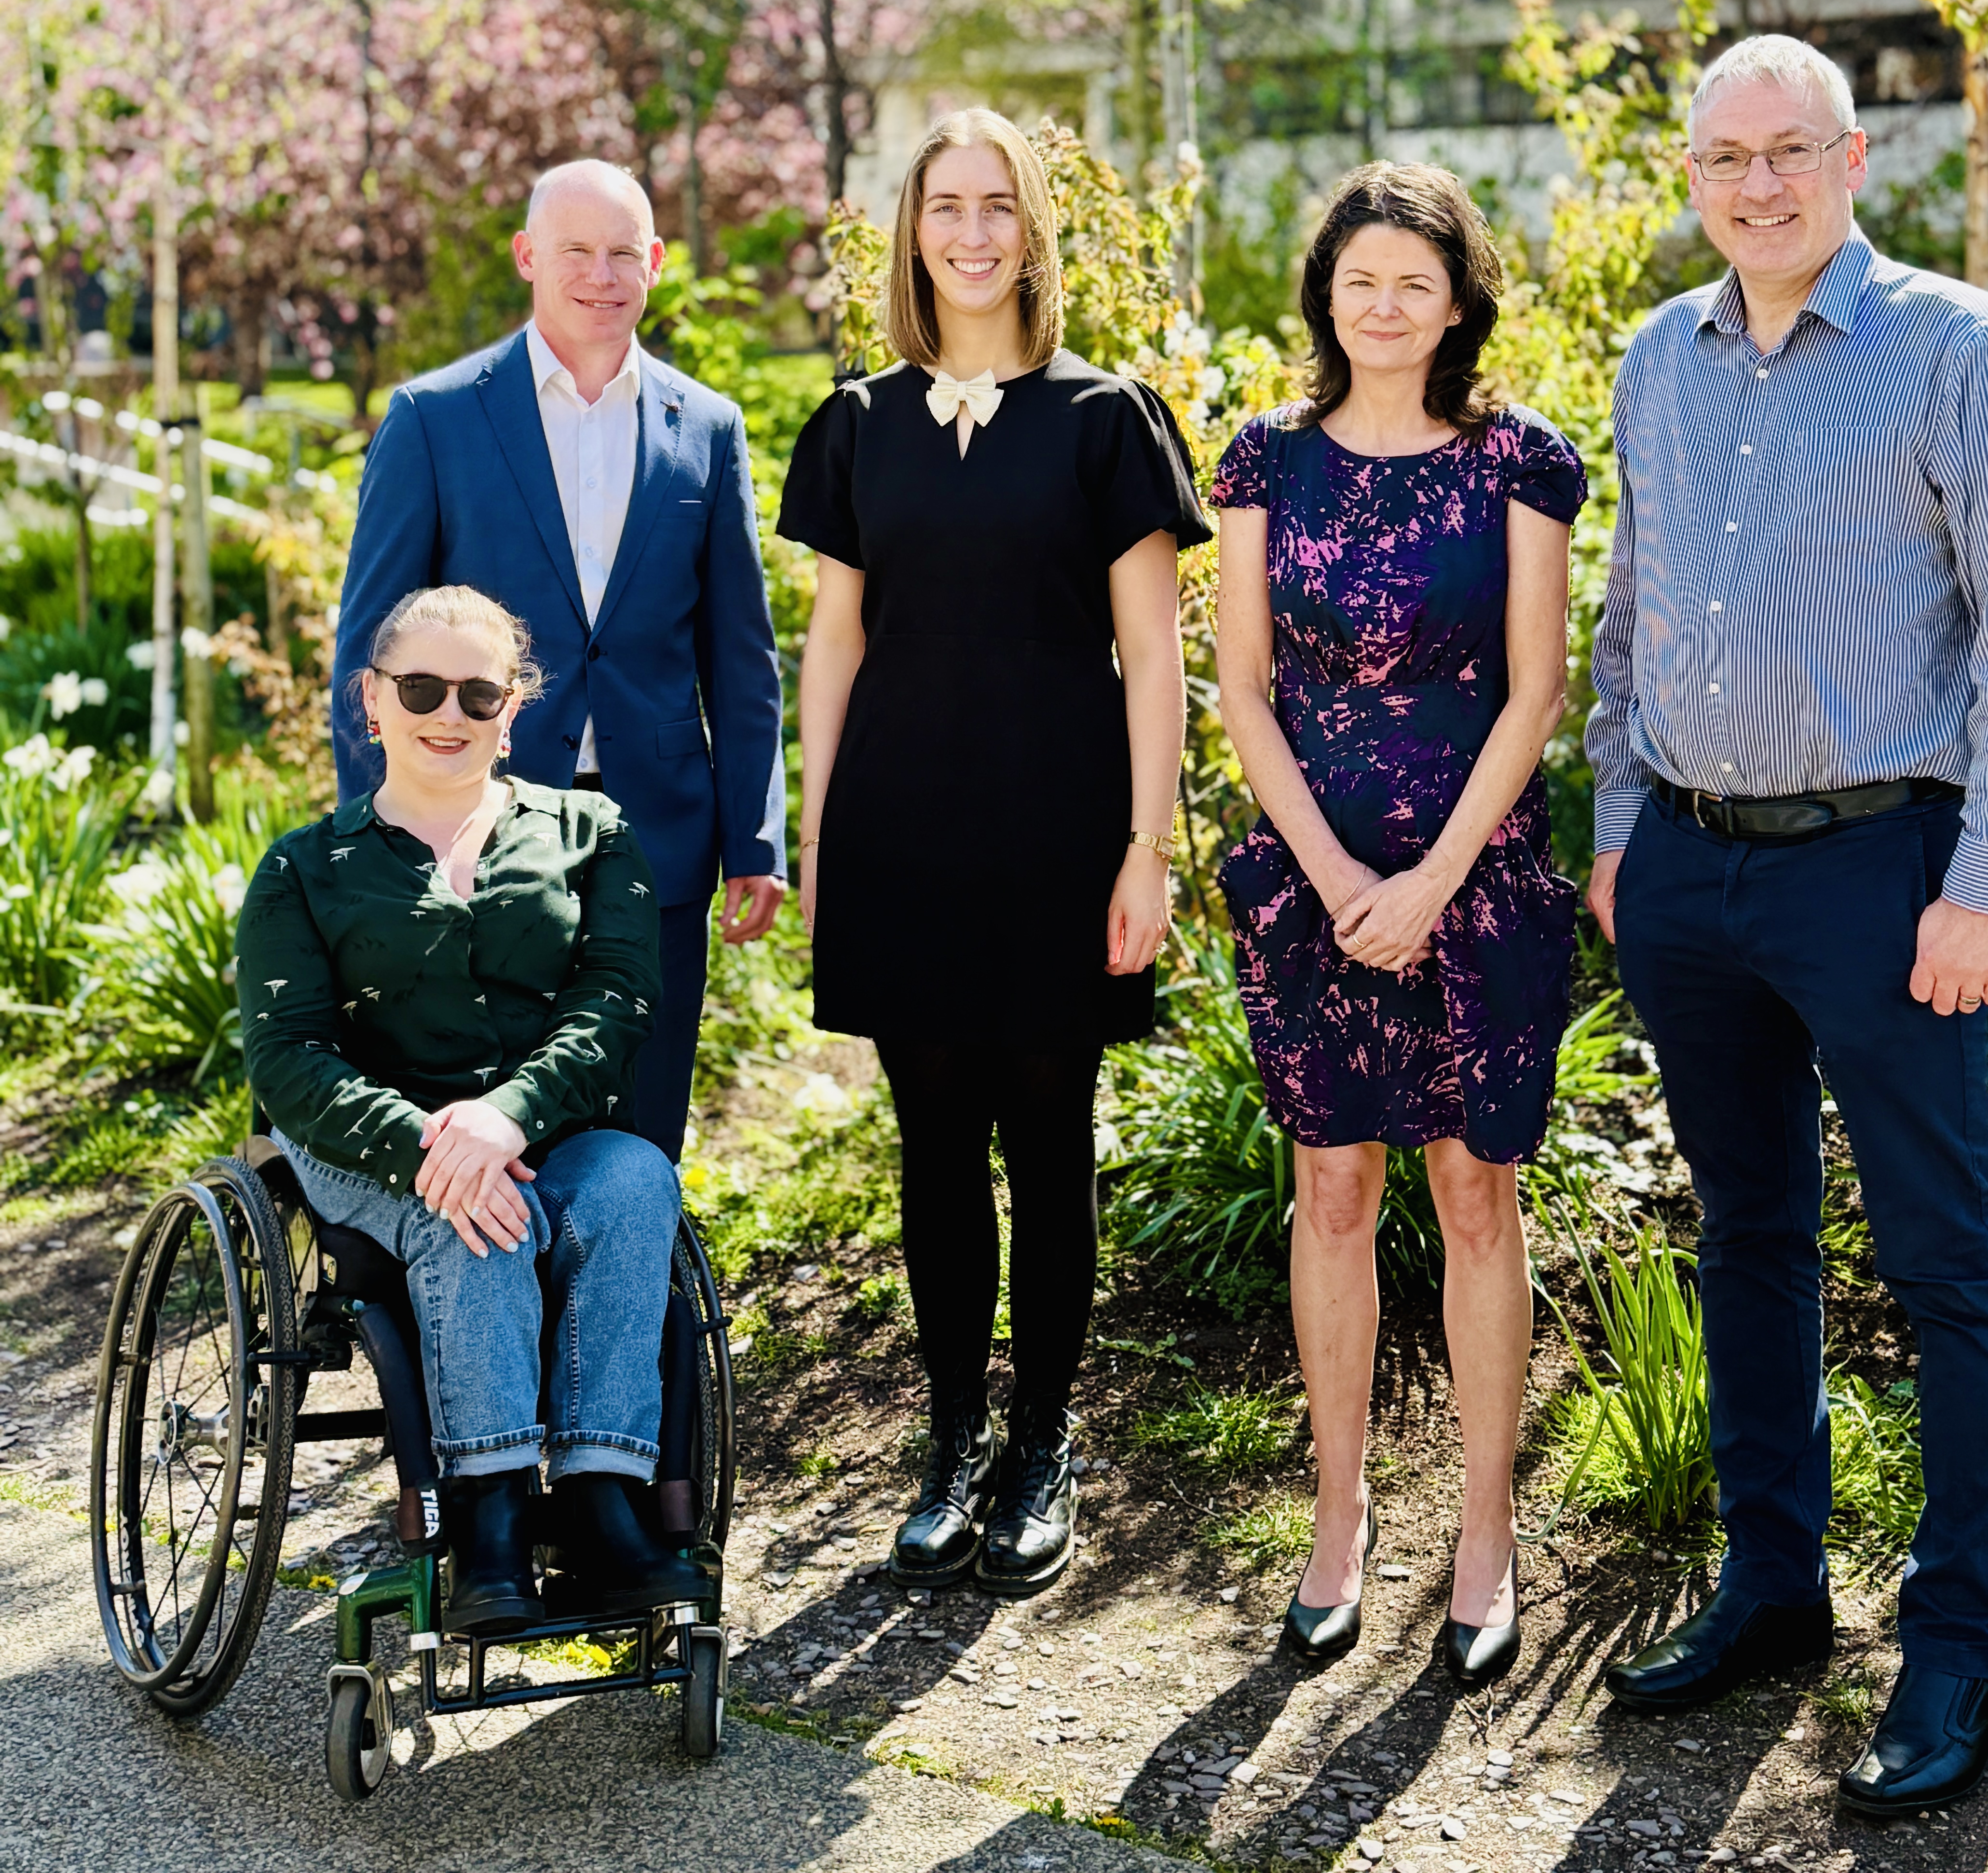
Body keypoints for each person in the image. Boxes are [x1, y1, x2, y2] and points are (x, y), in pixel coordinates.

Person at [1587, 33, 1988, 1820]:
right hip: (1696, 873)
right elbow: (1630, 613)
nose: (1758, 185)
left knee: (1948, 1261)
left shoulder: (1957, 347)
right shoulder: (1659, 353)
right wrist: (1624, 824)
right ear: (1692, 171)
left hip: (1889, 870)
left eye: (1791, 151)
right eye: (1726, 157)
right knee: (1748, 1239)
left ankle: (1959, 1649)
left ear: (1855, 159)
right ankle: (1774, 1588)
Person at [777, 108, 1209, 1598]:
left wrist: (1145, 849)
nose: (970, 233)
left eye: (997, 207)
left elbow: (1152, 660)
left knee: (1047, 1140)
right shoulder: (853, 423)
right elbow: (833, 642)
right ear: (912, 233)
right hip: (900, 827)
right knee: (933, 1150)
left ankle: (1044, 1445)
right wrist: (817, 831)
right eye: (944, 207)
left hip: (1056, 828)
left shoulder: (1108, 419)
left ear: (1034, 232)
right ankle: (950, 1442)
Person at [1213, 162, 1585, 1681]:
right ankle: (1337, 1513)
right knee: (1330, 1194)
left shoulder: (1520, 462)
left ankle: (1484, 1529)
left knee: (1474, 1197)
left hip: (1473, 881)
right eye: (1359, 280)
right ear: (1326, 295)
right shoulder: (1261, 461)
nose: (1384, 306)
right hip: (1314, 880)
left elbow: (1536, 685)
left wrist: (1431, 878)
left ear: (1456, 304)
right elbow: (1241, 687)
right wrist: (1326, 873)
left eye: (1414, 285)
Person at [239, 583, 694, 1635]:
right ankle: (486, 1517)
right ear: (373, 699)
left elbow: (619, 1003)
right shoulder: (304, 870)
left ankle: (601, 1500)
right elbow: (289, 1056)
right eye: (422, 686)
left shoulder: (592, 831)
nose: (449, 713)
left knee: (635, 1180)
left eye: (479, 693)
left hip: (547, 1132)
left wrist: (507, 1118)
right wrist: (430, 1144)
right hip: (362, 1141)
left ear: (514, 706)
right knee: (470, 1214)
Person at [333, 159, 787, 1163]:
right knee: (493, 1133)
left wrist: (756, 838)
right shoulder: (434, 420)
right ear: (529, 257)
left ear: (656, 264)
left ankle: (631, 1318)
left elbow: (741, 655)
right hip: (473, 841)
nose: (600, 274)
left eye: (624, 251)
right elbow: (371, 655)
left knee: (641, 1126)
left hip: (656, 843)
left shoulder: (705, 429)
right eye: (575, 250)